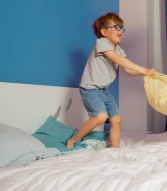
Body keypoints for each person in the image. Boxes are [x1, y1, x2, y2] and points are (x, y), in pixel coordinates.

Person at [66, 12, 155, 149]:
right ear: (104, 32)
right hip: (90, 89)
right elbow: (119, 60)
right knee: (101, 117)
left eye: (122, 28)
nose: (121, 31)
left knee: (116, 120)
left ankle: (115, 150)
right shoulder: (102, 43)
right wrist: (144, 69)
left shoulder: (118, 49)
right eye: (116, 27)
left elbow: (128, 70)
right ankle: (73, 140)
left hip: (104, 90)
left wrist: (146, 74)